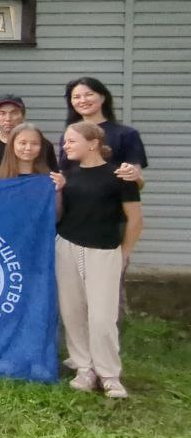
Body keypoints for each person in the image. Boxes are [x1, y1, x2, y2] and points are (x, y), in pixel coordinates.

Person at [50, 122, 143, 399]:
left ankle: (109, 374)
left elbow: (135, 220)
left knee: (102, 317)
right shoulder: (68, 176)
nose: (65, 146)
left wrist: (124, 254)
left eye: (71, 141)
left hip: (104, 251)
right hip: (66, 247)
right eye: (65, 141)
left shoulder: (120, 176)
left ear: (92, 143)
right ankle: (84, 368)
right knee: (72, 312)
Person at [60, 77, 147, 186]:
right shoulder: (68, 135)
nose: (83, 100)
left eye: (89, 94)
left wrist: (135, 176)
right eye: (76, 97)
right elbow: (62, 173)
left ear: (102, 97)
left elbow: (138, 183)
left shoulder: (127, 134)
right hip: (72, 196)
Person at [0, 95, 59, 178]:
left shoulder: (43, 145)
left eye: (14, 113)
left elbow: (54, 177)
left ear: (23, 116)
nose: (8, 118)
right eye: (2, 113)